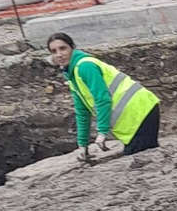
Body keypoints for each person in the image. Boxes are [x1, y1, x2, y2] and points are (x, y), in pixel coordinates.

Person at [45, 33, 161, 163]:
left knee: (143, 161)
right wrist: (83, 144)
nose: (59, 54)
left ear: (72, 47)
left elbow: (102, 99)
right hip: (136, 115)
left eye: (63, 48)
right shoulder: (73, 75)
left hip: (141, 112)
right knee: (142, 159)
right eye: (54, 51)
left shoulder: (84, 66)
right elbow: (82, 111)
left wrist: (102, 132)